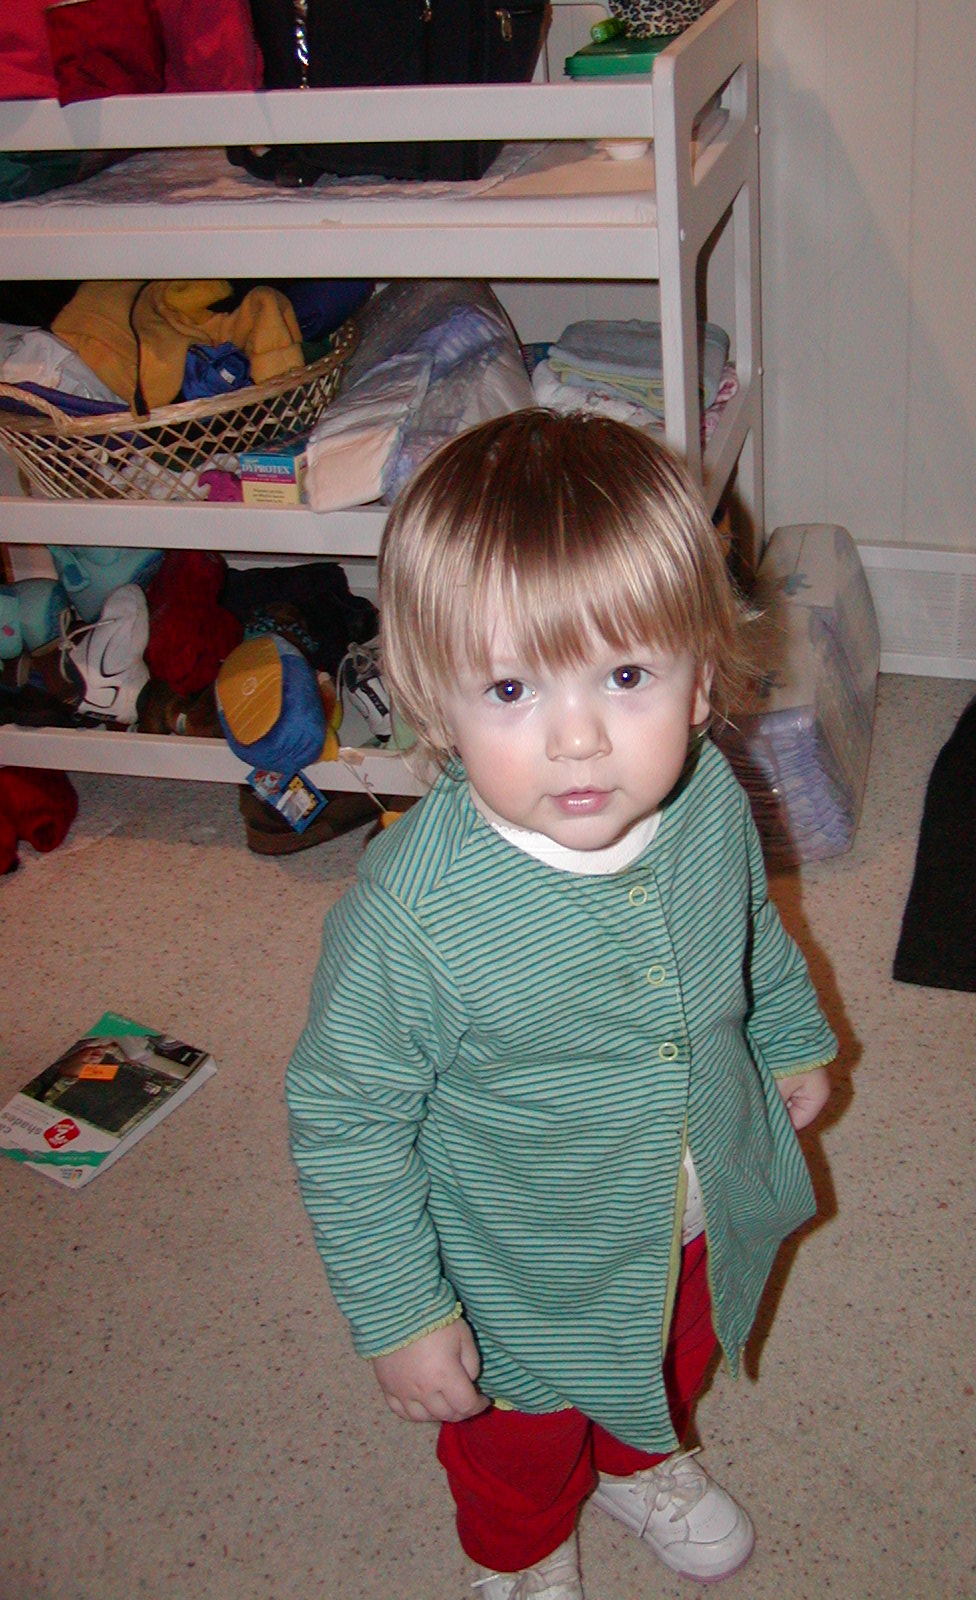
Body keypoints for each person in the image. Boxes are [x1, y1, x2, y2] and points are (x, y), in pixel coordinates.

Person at [285, 409, 838, 1600]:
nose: (579, 739)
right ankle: (521, 1555)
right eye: (510, 686)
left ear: (701, 679)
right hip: (519, 1270)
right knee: (519, 1450)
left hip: (687, 1208)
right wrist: (401, 1310)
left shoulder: (710, 799)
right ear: (436, 703)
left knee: (672, 1353)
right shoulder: (414, 917)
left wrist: (788, 1034)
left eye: (627, 675)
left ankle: (641, 1460)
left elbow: (749, 927)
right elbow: (345, 1121)